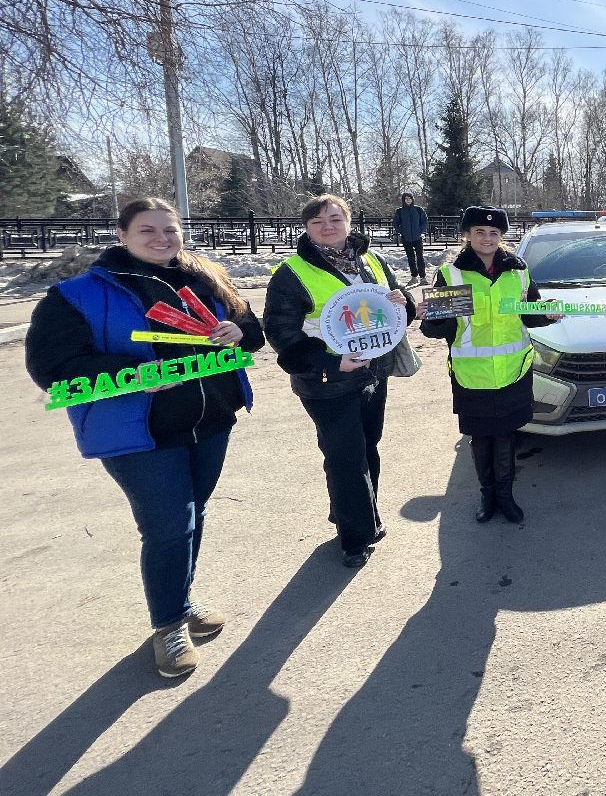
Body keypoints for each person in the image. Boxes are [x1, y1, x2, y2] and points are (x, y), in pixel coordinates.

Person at [25, 198, 264, 678]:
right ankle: (169, 625)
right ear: (122, 235)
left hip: (211, 421)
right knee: (169, 525)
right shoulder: (78, 295)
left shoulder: (205, 280)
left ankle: (181, 598)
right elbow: (50, 367)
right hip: (139, 432)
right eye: (147, 231)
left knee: (193, 516)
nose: (161, 239)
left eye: (169, 231)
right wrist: (134, 372)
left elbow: (253, 333)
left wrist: (238, 330)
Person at [264, 193, 416, 567]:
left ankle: (363, 515)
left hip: (372, 374)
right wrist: (329, 364)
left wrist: (405, 302)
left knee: (367, 447)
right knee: (345, 456)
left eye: (335, 218)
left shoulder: (372, 261)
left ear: (348, 222)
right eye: (318, 221)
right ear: (306, 229)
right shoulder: (292, 273)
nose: (327, 226)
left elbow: (396, 313)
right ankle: (354, 537)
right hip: (327, 382)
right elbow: (281, 334)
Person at [420, 205, 559, 524]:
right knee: (481, 438)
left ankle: (506, 496)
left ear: (502, 236)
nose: (487, 238)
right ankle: (487, 495)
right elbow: (438, 329)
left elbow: (528, 314)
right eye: (479, 232)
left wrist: (547, 315)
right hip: (473, 374)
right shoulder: (451, 273)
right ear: (467, 235)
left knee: (507, 435)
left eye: (494, 233)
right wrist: (432, 316)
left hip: (513, 371)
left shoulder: (519, 270)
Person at [393, 192, 430, 284]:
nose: (408, 200)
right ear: (403, 200)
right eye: (406, 199)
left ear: (412, 199)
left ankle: (423, 278)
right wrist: (402, 232)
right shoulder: (400, 211)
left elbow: (424, 222)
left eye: (409, 198)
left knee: (420, 257)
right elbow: (396, 223)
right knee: (410, 258)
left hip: (417, 238)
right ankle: (414, 277)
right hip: (406, 238)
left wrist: (420, 231)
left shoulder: (418, 210)